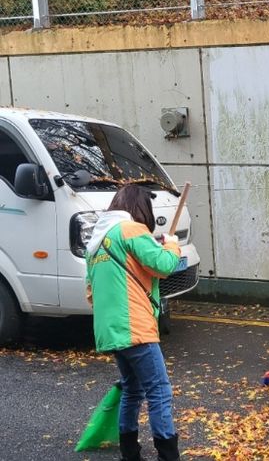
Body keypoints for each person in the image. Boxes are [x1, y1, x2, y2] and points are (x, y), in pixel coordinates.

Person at [85, 185, 182, 461]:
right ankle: (168, 456)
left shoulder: (97, 242)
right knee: (159, 391)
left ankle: (130, 454)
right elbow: (163, 264)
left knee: (133, 389)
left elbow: (90, 292)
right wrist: (171, 243)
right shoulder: (130, 230)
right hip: (135, 327)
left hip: (110, 330)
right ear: (140, 208)